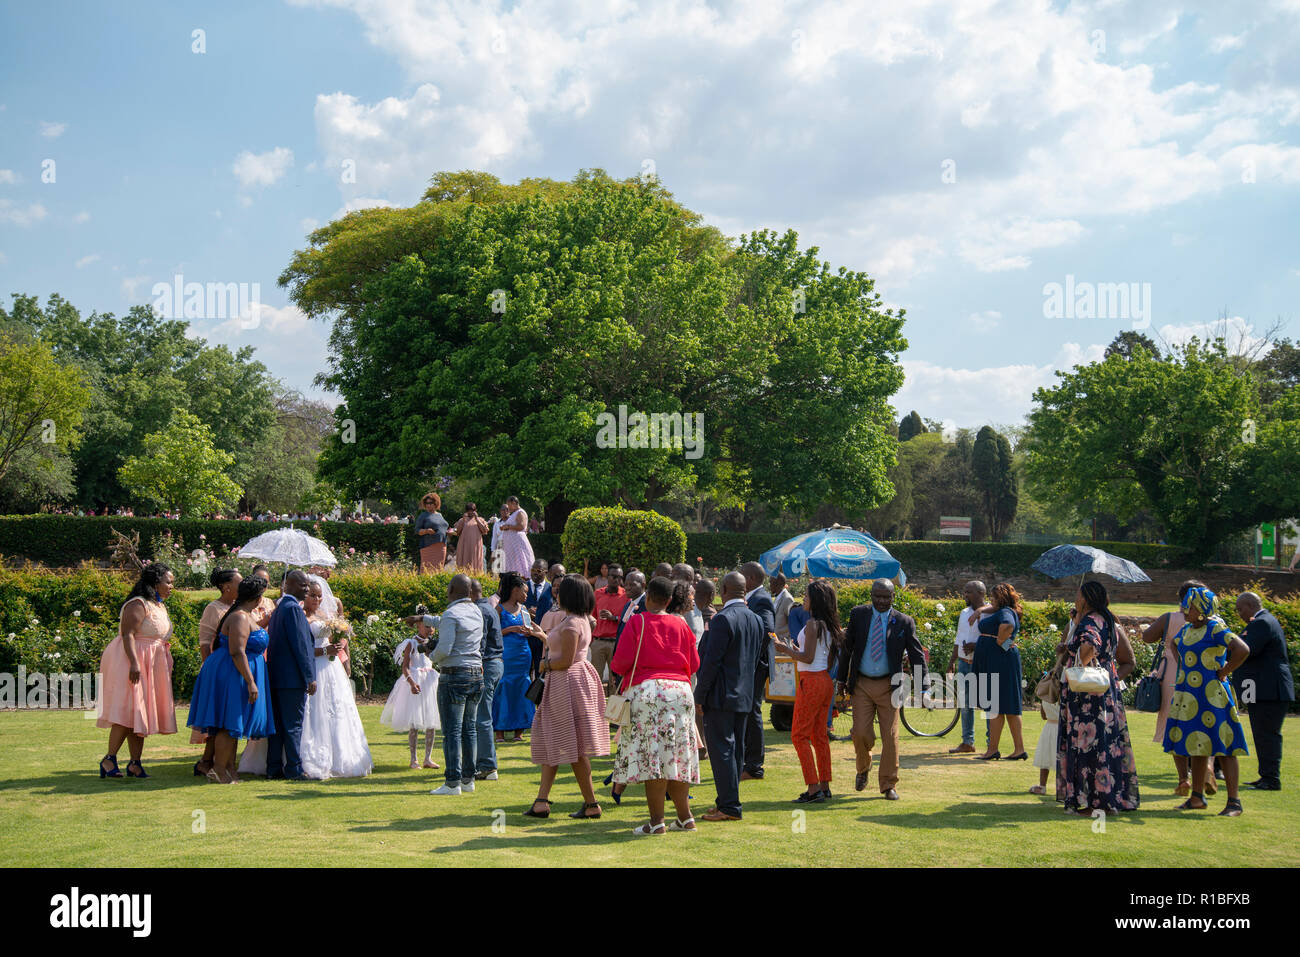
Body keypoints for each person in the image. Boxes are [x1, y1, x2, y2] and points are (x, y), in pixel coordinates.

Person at [609, 576, 702, 835]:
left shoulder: (637, 621)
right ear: (670, 600)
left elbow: (619, 663)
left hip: (648, 691)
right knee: (678, 755)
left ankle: (657, 821)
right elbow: (694, 664)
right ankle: (685, 818)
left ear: (648, 596)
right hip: (681, 692)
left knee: (653, 758)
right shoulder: (681, 624)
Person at [524, 574, 611, 820]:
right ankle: (542, 801)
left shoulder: (572, 623)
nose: (557, 593)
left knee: (572, 744)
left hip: (566, 682)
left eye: (561, 590)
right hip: (571, 681)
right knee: (555, 738)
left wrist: (545, 665)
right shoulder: (579, 619)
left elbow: (565, 660)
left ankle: (591, 803)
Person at [835, 578, 926, 800]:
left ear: (894, 597)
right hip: (862, 684)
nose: (882, 601)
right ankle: (863, 768)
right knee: (860, 733)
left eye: (887, 597)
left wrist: (923, 687)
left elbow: (917, 655)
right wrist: (841, 680)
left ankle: (888, 784)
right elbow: (847, 649)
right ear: (871, 595)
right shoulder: (859, 615)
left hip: (890, 686)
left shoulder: (904, 622)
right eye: (878, 596)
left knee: (890, 736)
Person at [1164, 586, 1250, 815]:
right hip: (1189, 693)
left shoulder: (1215, 628)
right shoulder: (1187, 629)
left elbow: (1242, 649)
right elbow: (1174, 643)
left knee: (1225, 746)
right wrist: (1184, 666)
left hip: (1213, 695)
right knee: (1197, 744)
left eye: (1190, 607)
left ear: (1202, 610)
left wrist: (1224, 671)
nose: (1185, 610)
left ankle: (1234, 802)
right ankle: (1197, 798)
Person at [1059, 580, 1141, 815]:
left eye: (1078, 594)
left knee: (1089, 746)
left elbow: (1088, 646)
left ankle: (1098, 803)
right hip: (1105, 691)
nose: (1075, 598)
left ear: (1085, 599)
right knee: (1107, 744)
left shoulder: (1091, 621)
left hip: (1087, 697)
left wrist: (1079, 662)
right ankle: (1110, 798)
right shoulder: (1107, 620)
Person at [186, 576, 274, 783]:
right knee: (229, 722)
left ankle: (228, 769)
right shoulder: (240, 617)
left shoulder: (244, 615)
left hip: (236, 670)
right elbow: (237, 651)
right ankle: (218, 770)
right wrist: (251, 681)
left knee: (235, 722)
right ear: (257, 597)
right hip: (233, 673)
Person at [96, 563, 178, 779]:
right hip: (132, 660)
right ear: (155, 582)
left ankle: (135, 763)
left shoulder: (158, 605)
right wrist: (134, 663)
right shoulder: (138, 603)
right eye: (168, 582)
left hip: (152, 662)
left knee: (140, 714)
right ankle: (109, 759)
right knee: (128, 711)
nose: (171, 586)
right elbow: (128, 634)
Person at [695, 571, 763, 821]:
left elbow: (711, 662)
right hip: (744, 694)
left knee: (722, 750)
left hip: (721, 695)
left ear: (723, 590)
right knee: (736, 751)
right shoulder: (756, 619)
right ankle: (726, 801)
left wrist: (699, 695)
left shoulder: (722, 619)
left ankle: (729, 805)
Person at [773, 579, 843, 804]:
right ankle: (824, 785)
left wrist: (785, 650)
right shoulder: (828, 625)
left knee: (799, 735)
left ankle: (813, 788)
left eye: (807, 595)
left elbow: (808, 657)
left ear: (816, 600)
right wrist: (795, 650)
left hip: (811, 681)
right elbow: (819, 656)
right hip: (823, 680)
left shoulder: (813, 624)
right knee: (819, 735)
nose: (804, 598)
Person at [296, 577, 373, 779]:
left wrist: (338, 644)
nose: (317, 599)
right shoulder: (301, 616)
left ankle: (340, 756)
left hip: (331, 667)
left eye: (319, 596)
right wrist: (325, 651)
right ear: (305, 595)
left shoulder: (324, 615)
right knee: (314, 709)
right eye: (312, 595)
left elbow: (333, 638)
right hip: (314, 666)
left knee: (337, 708)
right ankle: (311, 756)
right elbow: (301, 649)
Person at [1137, 579, 1208, 795]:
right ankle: (1206, 767)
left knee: (1174, 721)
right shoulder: (1212, 621)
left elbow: (1147, 637)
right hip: (1203, 672)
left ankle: (1183, 777)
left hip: (1172, 672)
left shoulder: (1170, 618)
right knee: (1202, 719)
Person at [428, 574, 485, 795]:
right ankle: (468, 780)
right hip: (476, 673)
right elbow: (446, 623)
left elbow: (445, 649)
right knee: (469, 729)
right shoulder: (476, 611)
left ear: (451, 590)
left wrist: (430, 654)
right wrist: (425, 619)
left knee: (452, 731)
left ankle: (452, 782)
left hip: (454, 675)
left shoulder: (451, 613)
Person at [1232, 591, 1293, 791]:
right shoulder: (1265, 621)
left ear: (1250, 606)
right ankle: (1266, 775)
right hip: (1266, 689)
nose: (1239, 613)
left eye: (1240, 609)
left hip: (1269, 690)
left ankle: (1271, 779)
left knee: (1266, 734)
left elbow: (1245, 650)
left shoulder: (1261, 623)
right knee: (1263, 734)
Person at [265, 570, 318, 780]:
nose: (306, 589)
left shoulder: (279, 608)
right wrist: (309, 676)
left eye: (307, 585)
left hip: (277, 676)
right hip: (292, 678)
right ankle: (294, 769)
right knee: (293, 725)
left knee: (278, 726)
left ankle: (273, 767)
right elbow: (301, 646)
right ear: (288, 585)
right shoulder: (293, 609)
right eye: (302, 585)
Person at [193, 567, 242, 776]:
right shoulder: (213, 609)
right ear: (226, 587)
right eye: (239, 583)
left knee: (225, 717)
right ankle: (209, 761)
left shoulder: (239, 607)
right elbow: (205, 642)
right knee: (217, 717)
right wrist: (210, 670)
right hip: (218, 668)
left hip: (233, 667)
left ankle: (218, 762)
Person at [972, 583, 1027, 761]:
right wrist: (980, 610)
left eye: (993, 597)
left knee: (996, 706)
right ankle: (1017, 749)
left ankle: (993, 750)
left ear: (1000, 598)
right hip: (1001, 660)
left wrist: (1001, 641)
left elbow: (1008, 625)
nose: (991, 600)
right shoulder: (1005, 610)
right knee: (1006, 707)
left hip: (999, 661)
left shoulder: (1005, 612)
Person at [380, 614, 441, 769]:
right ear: (418, 626)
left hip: (430, 681)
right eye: (427, 626)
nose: (430, 629)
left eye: (432, 627)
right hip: (416, 680)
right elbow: (405, 667)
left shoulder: (433, 643)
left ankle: (428, 758)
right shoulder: (411, 643)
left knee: (431, 720)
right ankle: (413, 759)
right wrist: (411, 682)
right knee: (414, 722)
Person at [739, 561, 775, 781]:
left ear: (751, 579)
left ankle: (754, 766)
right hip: (750, 665)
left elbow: (767, 630)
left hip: (756, 666)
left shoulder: (761, 599)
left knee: (752, 712)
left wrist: (749, 658)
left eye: (742, 576)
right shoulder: (752, 598)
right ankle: (747, 761)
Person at [493, 572, 537, 744]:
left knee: (521, 687)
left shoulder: (524, 610)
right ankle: (500, 731)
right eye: (524, 592)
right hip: (506, 653)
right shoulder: (499, 609)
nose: (526, 595)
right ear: (514, 590)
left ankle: (520, 729)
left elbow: (529, 628)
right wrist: (511, 629)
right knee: (504, 687)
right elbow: (493, 633)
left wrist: (528, 631)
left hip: (523, 653)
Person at [945, 580, 986, 755]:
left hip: (981, 664)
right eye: (965, 591)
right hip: (963, 663)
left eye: (969, 592)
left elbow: (996, 640)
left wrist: (976, 646)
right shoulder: (964, 613)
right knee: (965, 704)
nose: (965, 595)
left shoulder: (990, 613)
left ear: (980, 593)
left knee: (987, 704)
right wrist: (951, 662)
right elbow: (958, 638)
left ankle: (991, 743)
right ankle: (968, 742)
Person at [469, 579, 504, 780]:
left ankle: (488, 766)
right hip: (496, 663)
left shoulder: (480, 611)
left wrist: (476, 664)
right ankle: (483, 763)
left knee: (482, 717)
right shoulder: (489, 607)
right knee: (482, 715)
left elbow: (480, 642)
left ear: (470, 593)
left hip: (487, 664)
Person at [590, 564, 627, 695]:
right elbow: (591, 616)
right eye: (613, 576)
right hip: (598, 642)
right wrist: (591, 639)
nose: (616, 580)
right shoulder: (598, 594)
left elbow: (629, 620)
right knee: (595, 679)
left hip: (616, 643)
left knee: (615, 681)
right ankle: (594, 705)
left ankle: (614, 707)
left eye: (619, 577)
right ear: (607, 577)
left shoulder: (626, 596)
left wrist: (614, 618)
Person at [499, 495, 536, 577]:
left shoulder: (520, 512)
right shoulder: (514, 514)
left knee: (521, 561)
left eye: (509, 505)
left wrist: (508, 527)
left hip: (518, 543)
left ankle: (524, 577)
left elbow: (521, 526)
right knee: (514, 562)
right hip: (513, 545)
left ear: (514, 503)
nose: (508, 508)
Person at [1029, 697, 1058, 795]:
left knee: (1046, 755)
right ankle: (1064, 787)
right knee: (1049, 756)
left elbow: (1043, 715)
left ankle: (1042, 786)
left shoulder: (1045, 693)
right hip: (1061, 727)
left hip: (1050, 727)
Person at [449, 502, 490, 572]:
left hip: (475, 546)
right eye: (468, 510)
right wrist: (463, 520)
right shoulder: (462, 520)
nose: (470, 512)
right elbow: (457, 531)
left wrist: (477, 519)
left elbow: (484, 531)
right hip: (464, 546)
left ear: (475, 510)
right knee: (463, 564)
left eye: (472, 510)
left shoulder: (480, 519)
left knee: (475, 563)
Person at [415, 493, 449, 572]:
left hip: (442, 547)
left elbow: (443, 528)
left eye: (430, 503)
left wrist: (449, 532)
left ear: (436, 503)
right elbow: (417, 530)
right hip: (428, 546)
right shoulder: (423, 515)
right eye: (426, 503)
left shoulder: (440, 515)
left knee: (439, 570)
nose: (428, 505)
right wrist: (426, 531)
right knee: (427, 570)